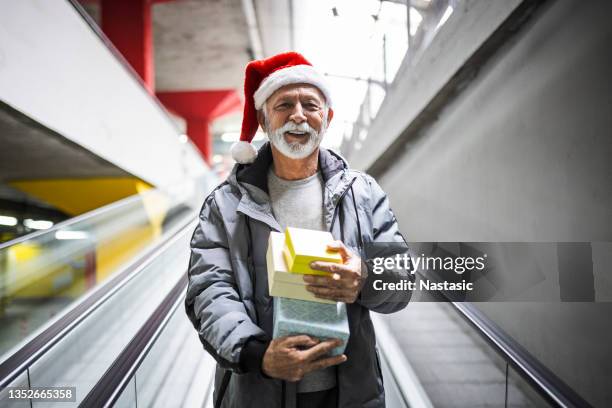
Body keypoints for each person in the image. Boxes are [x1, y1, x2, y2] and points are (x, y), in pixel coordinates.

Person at [185, 52, 411, 408]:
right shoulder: (225, 204)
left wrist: (365, 276)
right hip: (257, 391)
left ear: (327, 117)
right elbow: (209, 289)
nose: (298, 115)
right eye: (284, 104)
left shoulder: (363, 194)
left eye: (310, 104)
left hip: (350, 393)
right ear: (263, 120)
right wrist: (257, 353)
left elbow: (402, 277)